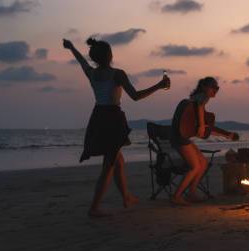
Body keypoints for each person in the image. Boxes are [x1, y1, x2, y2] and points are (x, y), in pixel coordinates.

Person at [63, 38, 170, 217]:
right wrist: (159, 85)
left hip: (98, 117)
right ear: (110, 55)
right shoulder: (117, 74)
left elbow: (80, 60)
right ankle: (94, 208)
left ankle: (126, 197)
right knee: (109, 165)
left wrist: (72, 47)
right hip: (112, 119)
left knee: (118, 161)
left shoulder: (91, 73)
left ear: (94, 58)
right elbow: (135, 96)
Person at [170, 77, 239, 205]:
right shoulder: (200, 98)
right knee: (195, 166)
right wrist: (201, 125)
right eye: (213, 87)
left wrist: (226, 135)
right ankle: (176, 196)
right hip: (180, 138)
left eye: (217, 88)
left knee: (203, 163)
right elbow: (201, 106)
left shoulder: (193, 104)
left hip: (181, 138)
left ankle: (191, 193)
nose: (215, 91)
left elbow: (208, 129)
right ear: (203, 87)